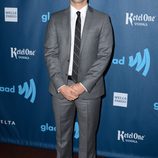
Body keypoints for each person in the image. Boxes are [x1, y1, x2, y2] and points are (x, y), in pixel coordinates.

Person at [44, 0, 113, 157]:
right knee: (62, 140)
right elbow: (50, 53)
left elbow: (104, 55)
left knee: (88, 142)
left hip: (89, 89)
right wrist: (61, 86)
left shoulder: (102, 19)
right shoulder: (55, 19)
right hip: (61, 88)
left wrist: (83, 85)